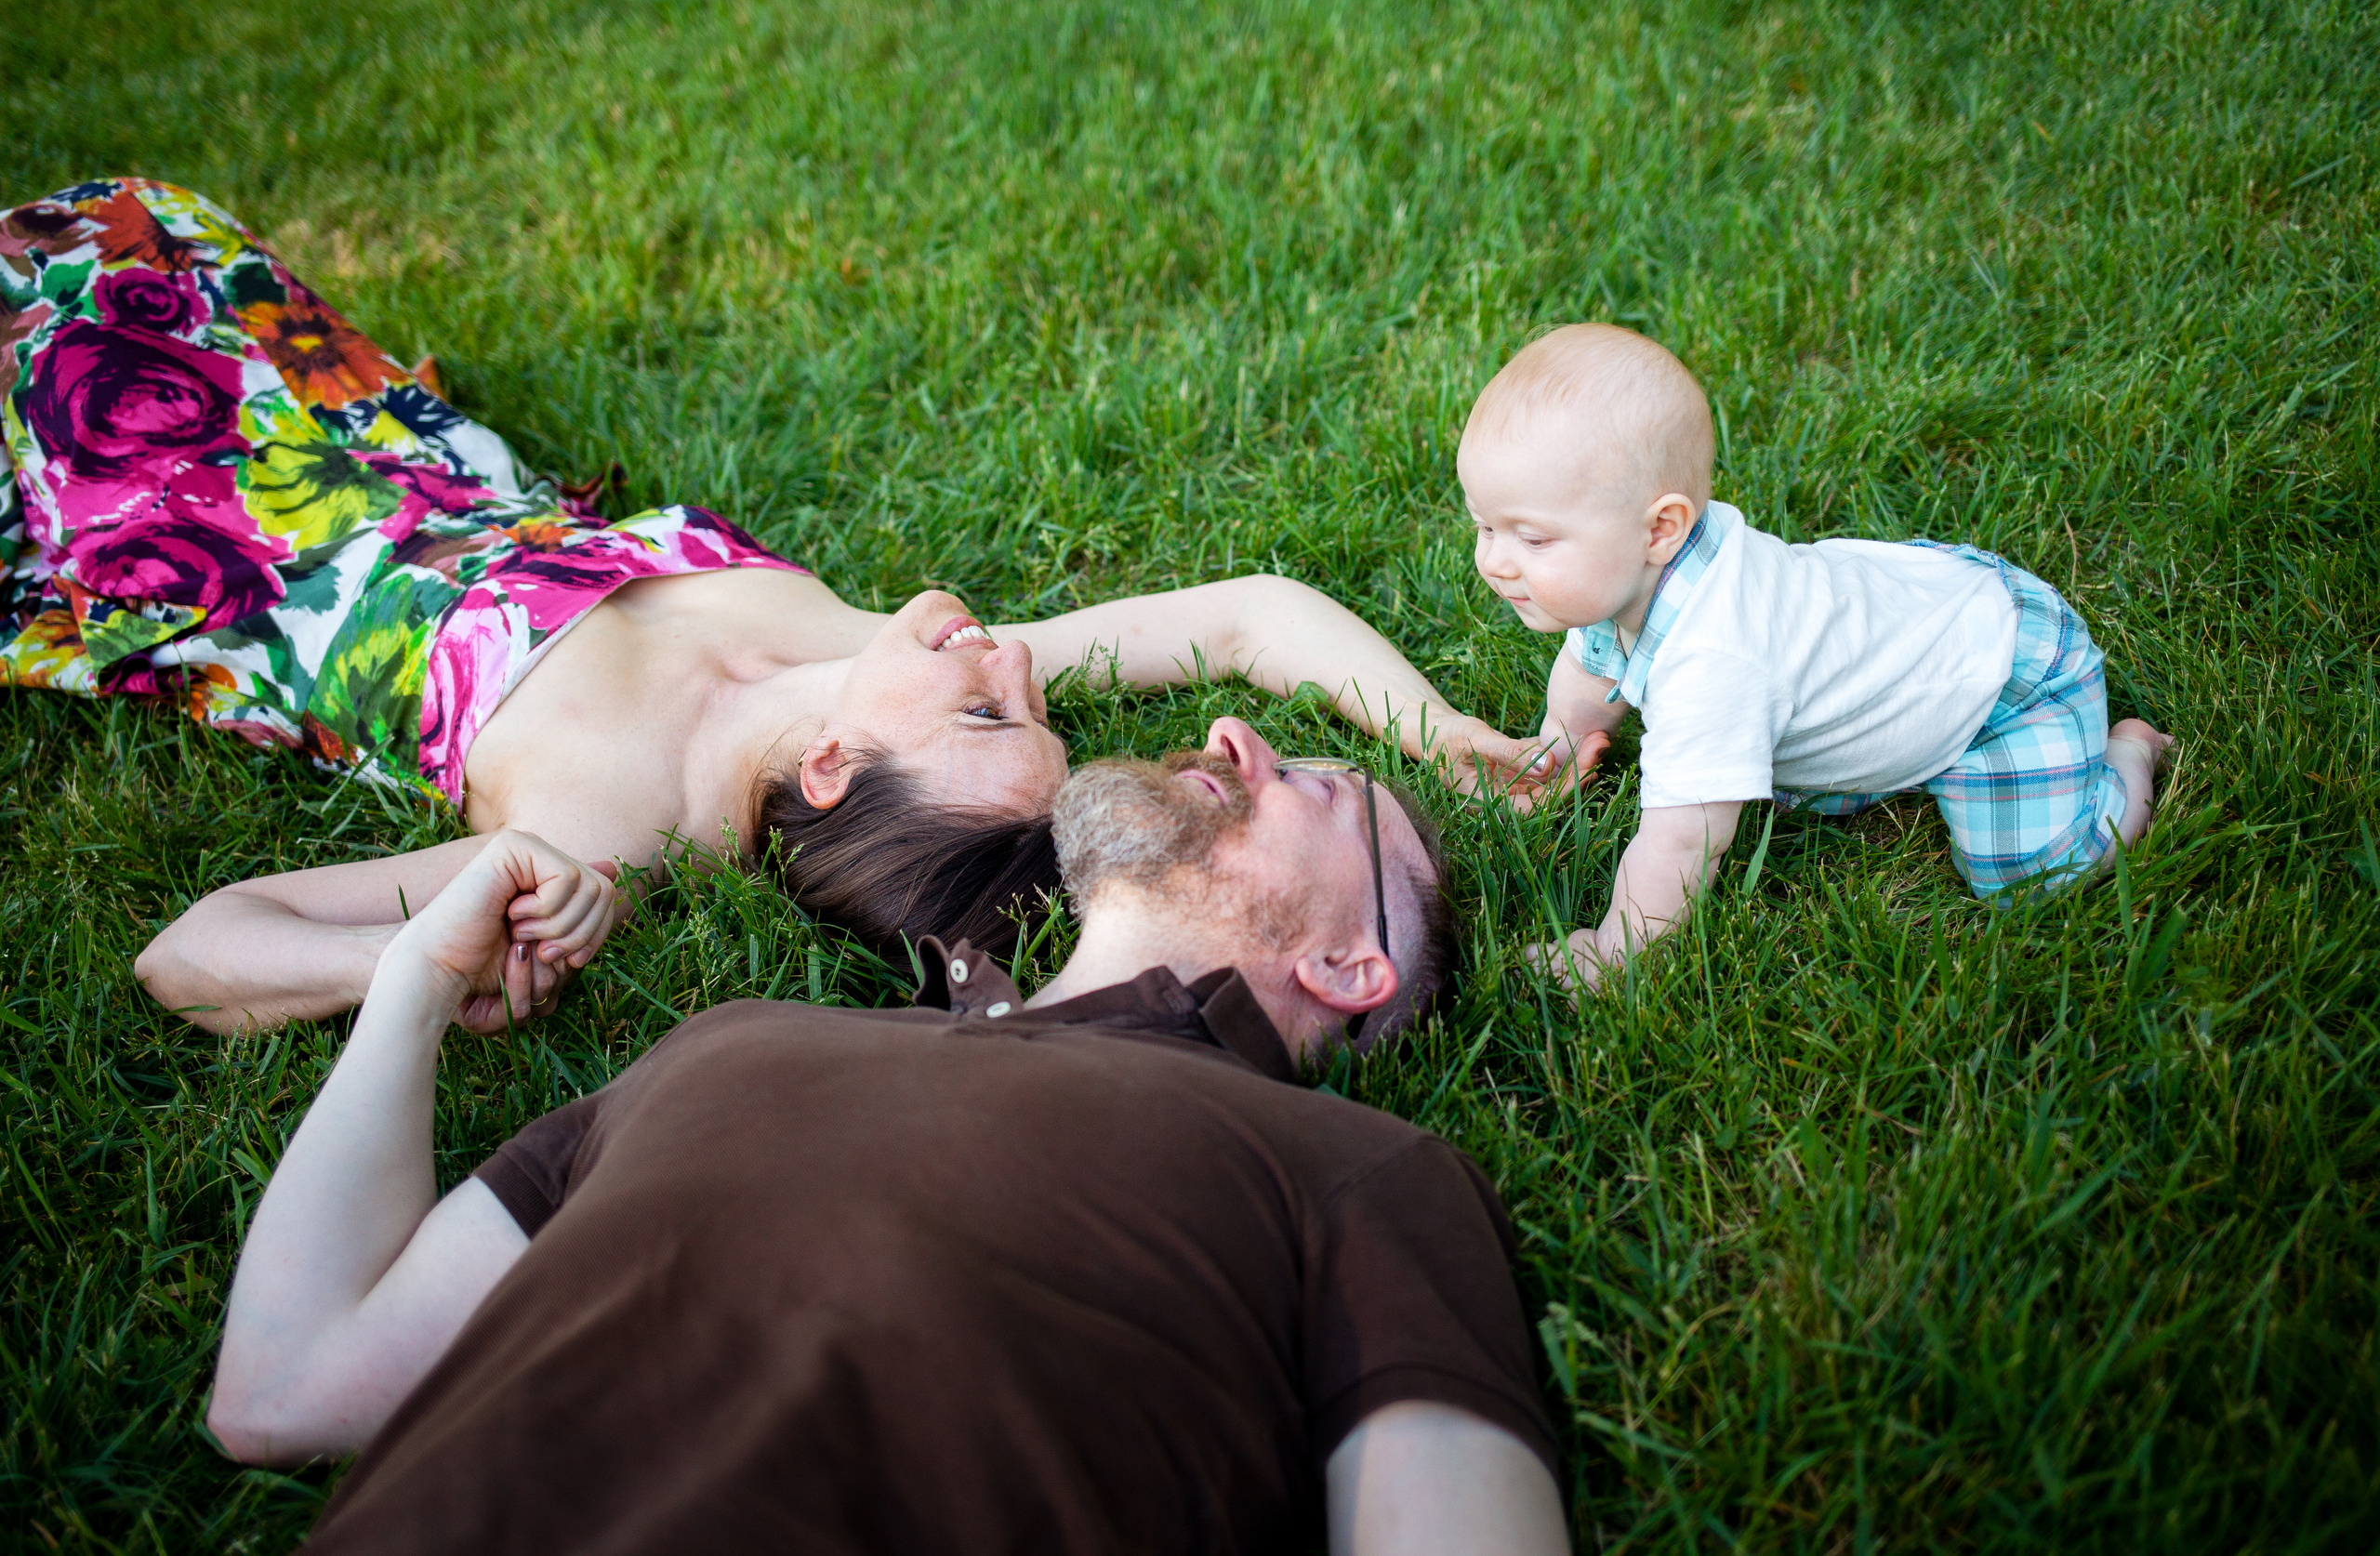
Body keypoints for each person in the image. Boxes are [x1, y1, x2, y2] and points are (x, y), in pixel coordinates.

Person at [0, 178, 1540, 1033]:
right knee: (135, 217)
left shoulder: (602, 829)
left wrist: (423, 963)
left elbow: (196, 947)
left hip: (147, 487)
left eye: (989, 706)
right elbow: (1254, 610)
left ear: (834, 771)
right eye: (1028, 700)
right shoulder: (888, 668)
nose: (1012, 659)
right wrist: (1449, 734)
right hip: (369, 421)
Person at [205, 717, 1570, 1555]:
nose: (1234, 738)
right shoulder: (736, 1040)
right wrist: (414, 985)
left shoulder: (1354, 1175)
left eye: (1316, 790)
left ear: (1346, 967)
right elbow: (286, 1388)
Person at [1459, 323, 2176, 989]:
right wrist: (1561, 745)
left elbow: (1682, 841)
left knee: (2035, 874)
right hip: (1927, 607)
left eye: (1533, 538)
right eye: (1484, 526)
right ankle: (1875, 736)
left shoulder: (1713, 661)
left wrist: (1616, 950)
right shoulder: (1637, 572)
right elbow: (1592, 664)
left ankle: (2126, 756)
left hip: (2004, 677)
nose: (1494, 561)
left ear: (1660, 528)